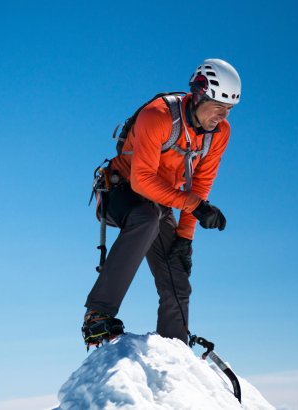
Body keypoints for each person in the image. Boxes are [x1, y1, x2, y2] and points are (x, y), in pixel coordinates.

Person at [83, 58, 241, 346]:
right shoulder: (157, 116)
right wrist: (194, 207)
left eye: (228, 109)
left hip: (161, 201)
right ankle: (98, 315)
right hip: (121, 190)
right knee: (146, 218)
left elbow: (200, 184)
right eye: (218, 107)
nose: (222, 116)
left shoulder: (219, 133)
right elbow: (141, 180)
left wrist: (185, 237)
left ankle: (175, 350)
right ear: (199, 94)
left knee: (177, 278)